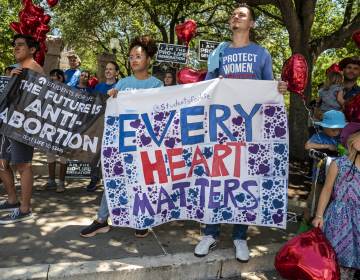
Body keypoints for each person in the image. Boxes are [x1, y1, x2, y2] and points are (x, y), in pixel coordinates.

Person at [194, 3, 287, 263]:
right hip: (220, 129)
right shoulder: (219, 52)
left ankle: (239, 236)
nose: (236, 17)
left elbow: (269, 88)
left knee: (243, 181)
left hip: (249, 130)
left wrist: (279, 87)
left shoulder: (261, 53)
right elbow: (207, 86)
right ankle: (210, 233)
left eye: (242, 15)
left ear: (252, 24)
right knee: (216, 178)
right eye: (234, 14)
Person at [80, 35, 163, 238]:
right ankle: (101, 220)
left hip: (145, 144)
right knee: (113, 178)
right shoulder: (123, 83)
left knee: (143, 182)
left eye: (138, 56)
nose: (134, 60)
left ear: (148, 60)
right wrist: (112, 97)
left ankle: (141, 219)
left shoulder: (157, 85)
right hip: (121, 142)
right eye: (131, 56)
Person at [0, 34, 44, 224]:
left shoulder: (33, 68)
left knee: (23, 165)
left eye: (20, 45)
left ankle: (25, 209)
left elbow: (37, 99)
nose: (15, 48)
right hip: (10, 122)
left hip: (24, 125)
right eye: (14, 45)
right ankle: (12, 200)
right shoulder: (19, 70)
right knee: (2, 163)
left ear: (32, 49)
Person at [312, 122, 360, 279]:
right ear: (353, 141)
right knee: (335, 258)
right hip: (339, 217)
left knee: (353, 261)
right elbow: (326, 190)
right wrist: (319, 216)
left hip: (358, 220)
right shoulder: (338, 164)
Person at [302, 110, 346, 224]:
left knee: (330, 199)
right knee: (314, 198)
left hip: (336, 175)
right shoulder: (319, 136)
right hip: (320, 175)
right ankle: (306, 221)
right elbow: (307, 145)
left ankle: (325, 221)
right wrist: (326, 146)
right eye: (333, 129)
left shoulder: (342, 137)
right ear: (325, 127)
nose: (336, 132)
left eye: (339, 129)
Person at [86, 61, 120, 192]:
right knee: (95, 153)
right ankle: (94, 179)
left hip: (114, 126)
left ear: (117, 72)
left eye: (111, 69)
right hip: (98, 124)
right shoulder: (98, 87)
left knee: (111, 154)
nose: (108, 71)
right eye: (106, 69)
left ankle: (109, 181)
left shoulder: (120, 87)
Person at [37, 69, 68, 193]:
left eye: (54, 77)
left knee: (63, 157)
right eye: (50, 76)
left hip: (64, 129)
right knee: (50, 155)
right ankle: (51, 182)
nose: (52, 79)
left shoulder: (69, 92)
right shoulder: (47, 91)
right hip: (49, 128)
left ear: (60, 78)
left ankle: (61, 183)